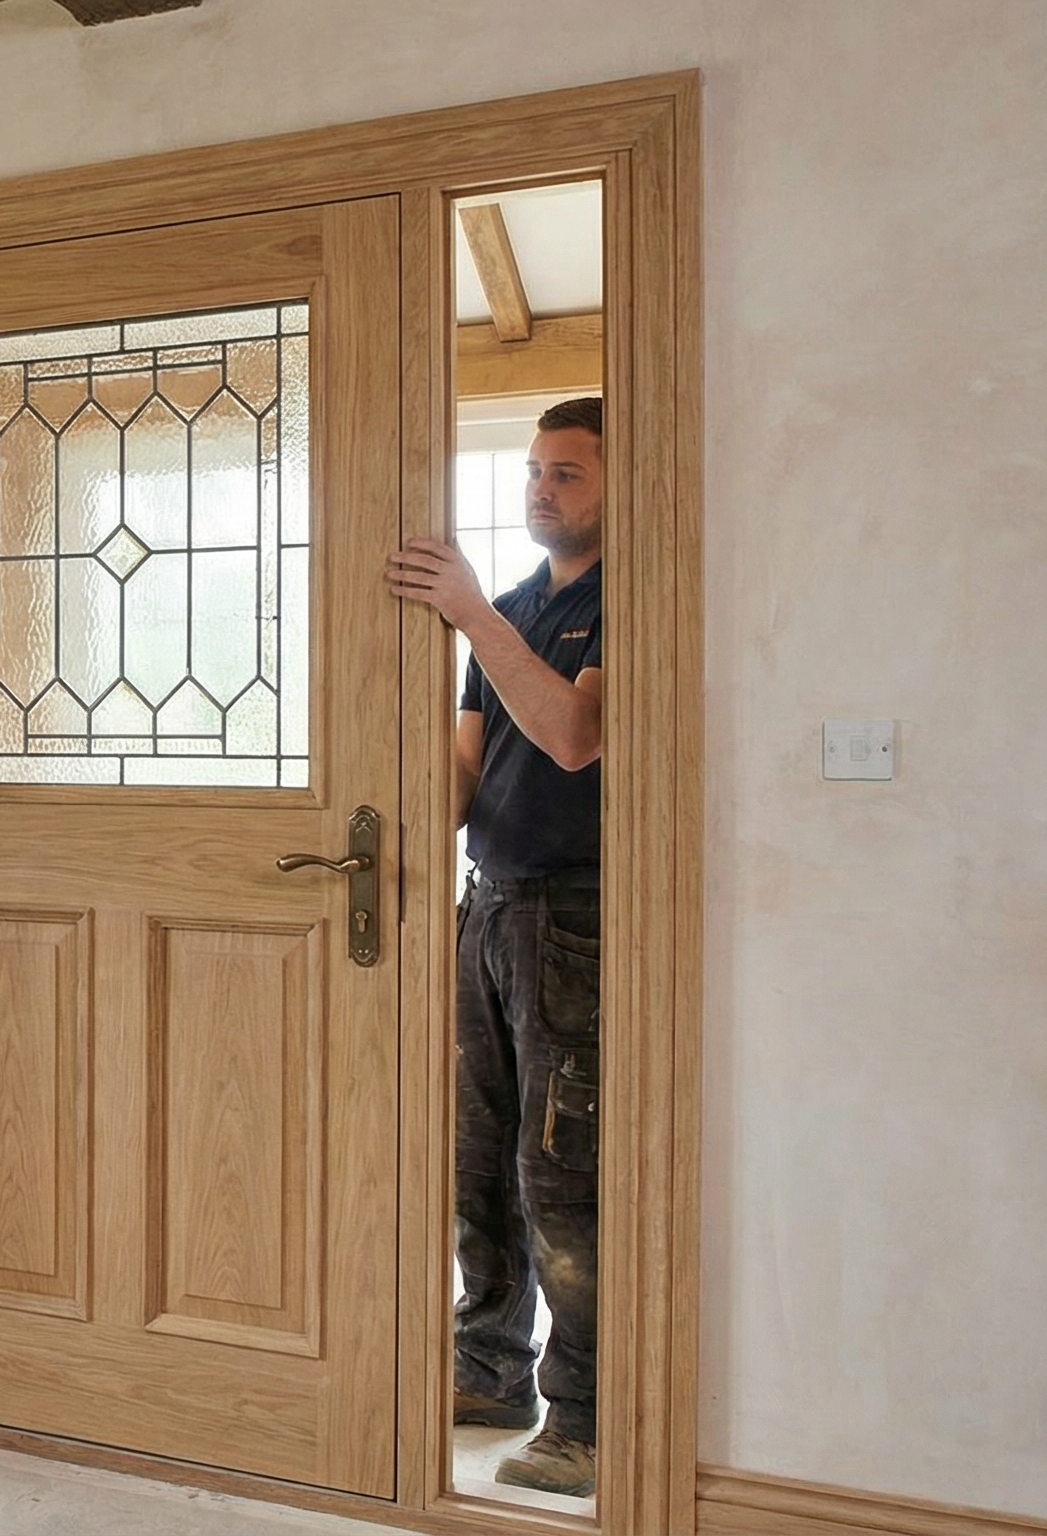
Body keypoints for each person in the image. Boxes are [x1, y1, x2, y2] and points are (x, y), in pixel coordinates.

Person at [386, 396, 606, 1498]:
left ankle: (585, 1418)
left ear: (617, 483)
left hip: (582, 918)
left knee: (558, 1173)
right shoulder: (514, 608)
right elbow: (462, 780)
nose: (537, 489)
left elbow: (573, 739)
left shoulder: (623, 598)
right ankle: (487, 1370)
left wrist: (471, 616)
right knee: (474, 1162)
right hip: (490, 908)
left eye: (564, 472)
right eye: (530, 470)